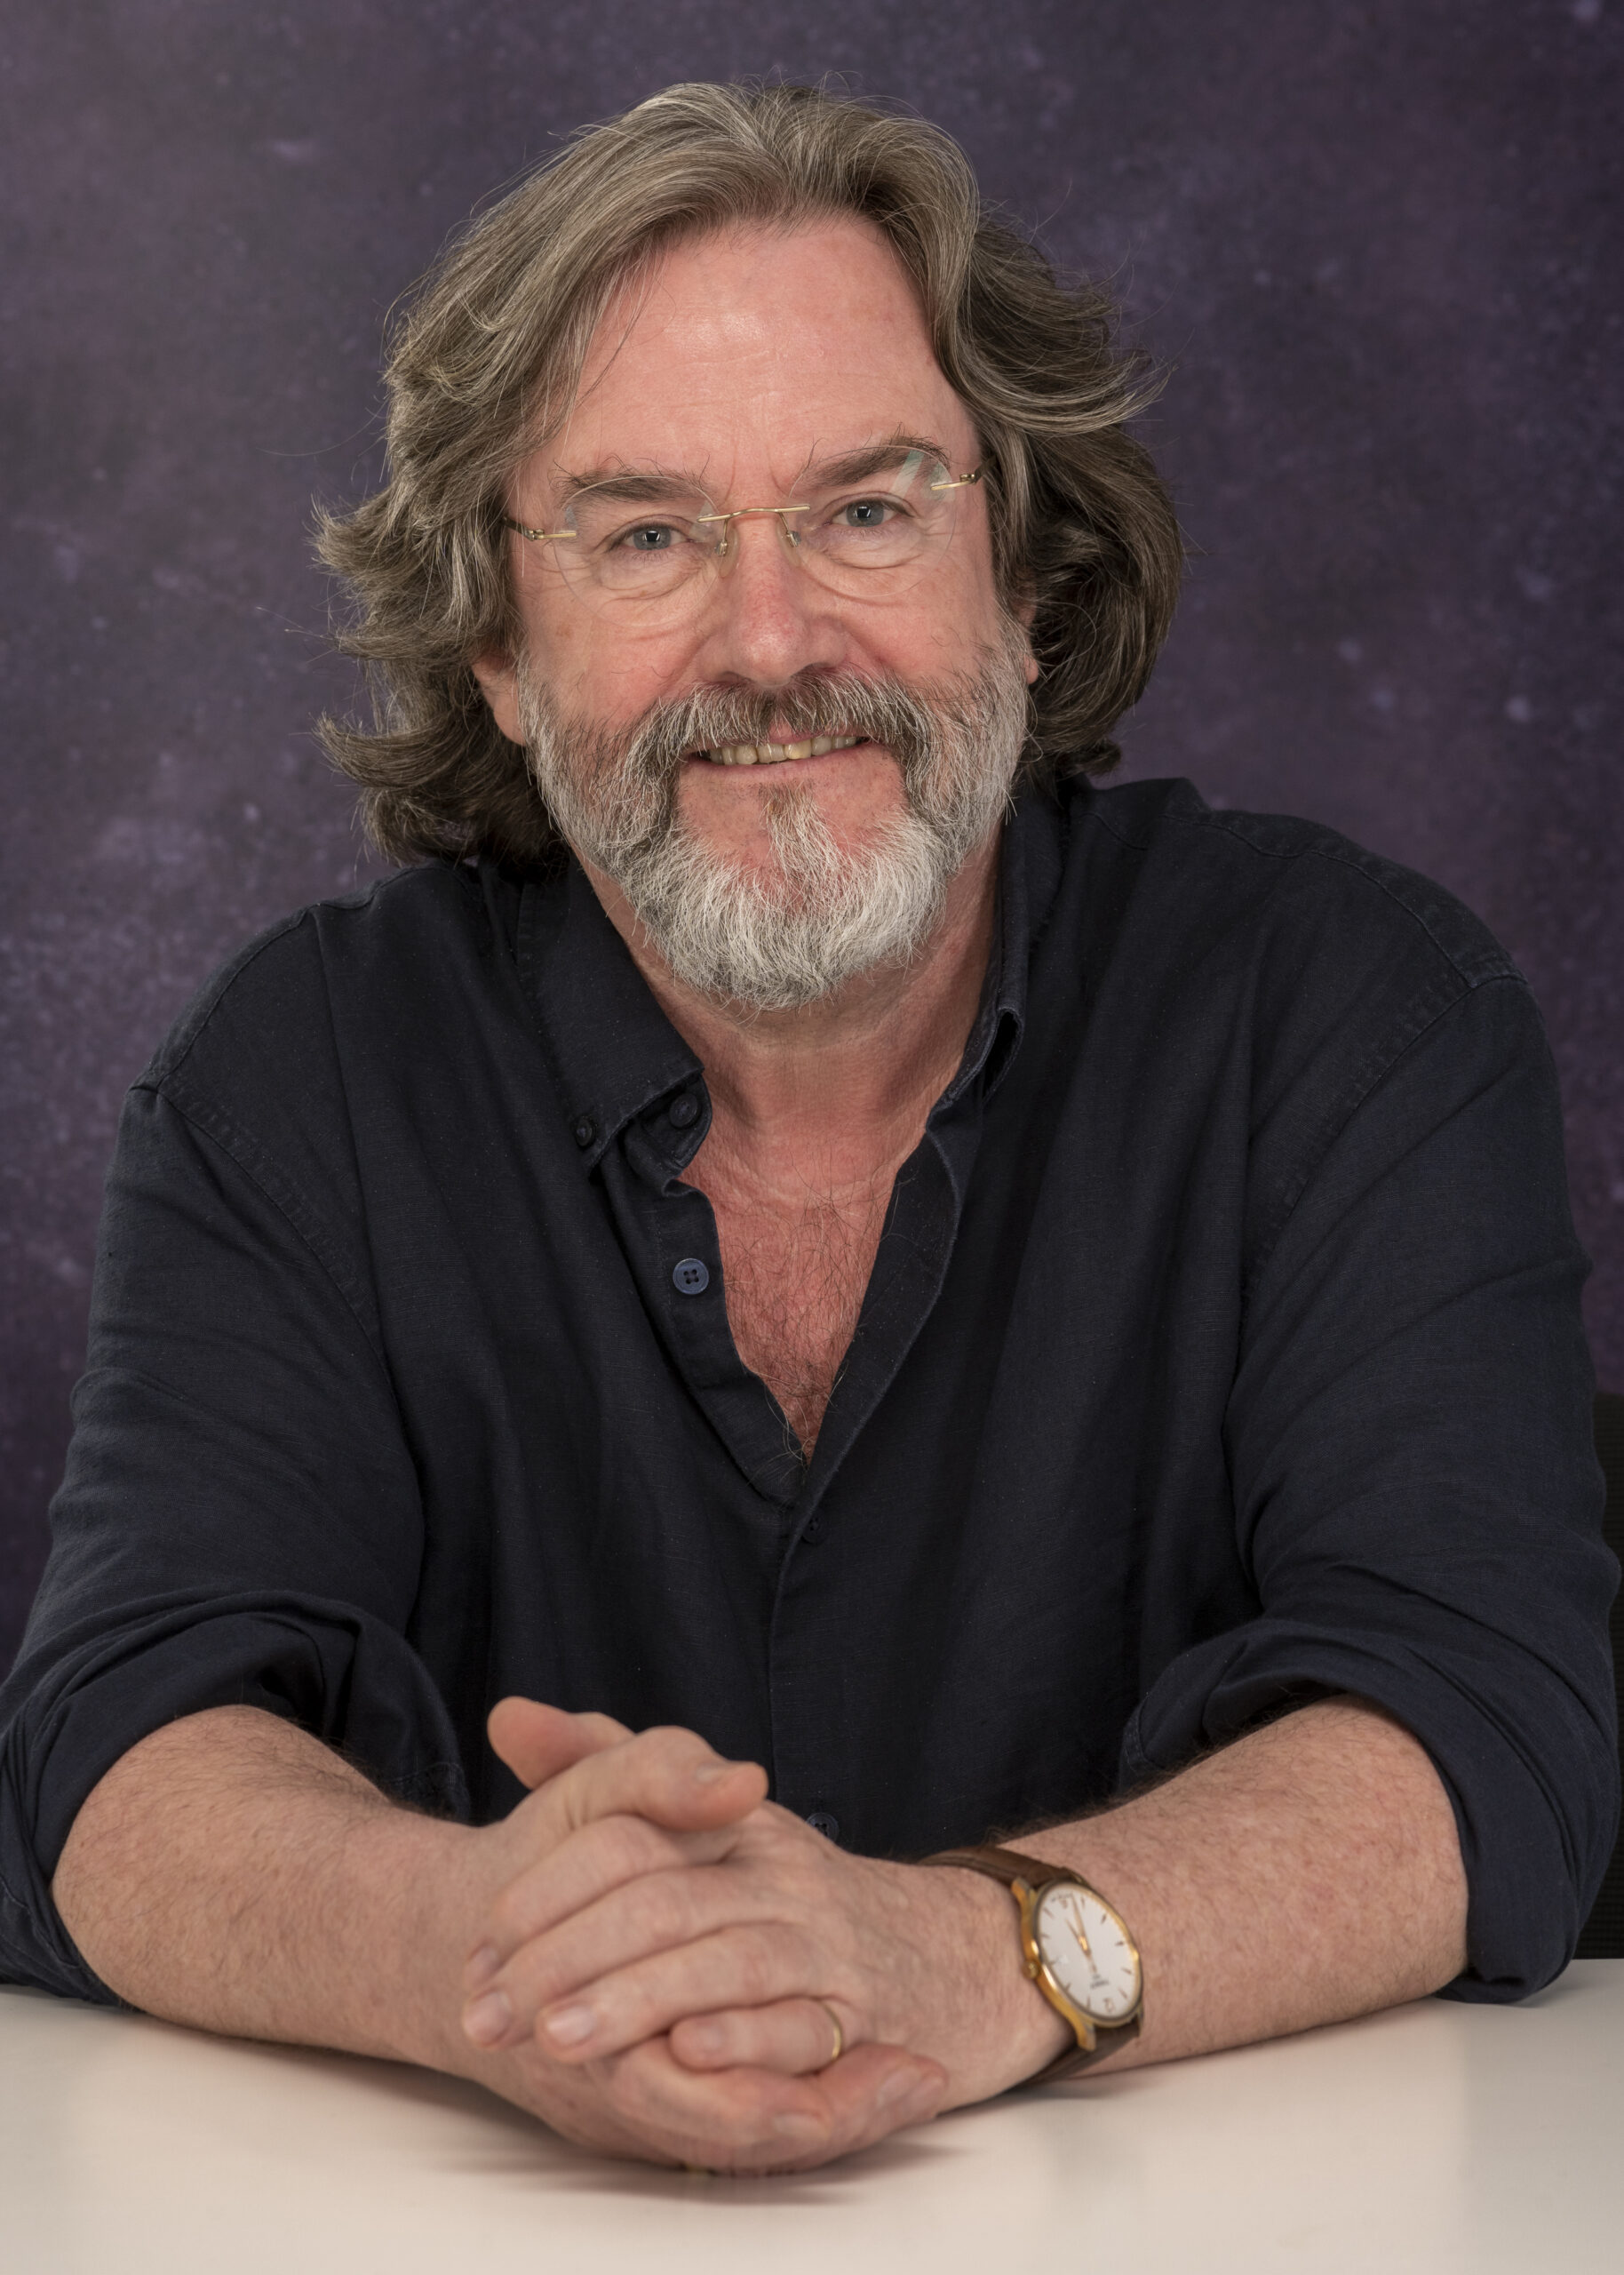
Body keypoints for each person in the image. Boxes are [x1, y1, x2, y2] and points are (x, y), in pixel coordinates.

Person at [0, 82, 1615, 2175]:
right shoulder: (293, 1079)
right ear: (498, 641)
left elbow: (1483, 1726)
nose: (771, 648)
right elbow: (115, 1746)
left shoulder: (1353, 1018)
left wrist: (974, 1954)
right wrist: (485, 1943)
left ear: (1019, 580)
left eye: (866, 509)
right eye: (648, 533)